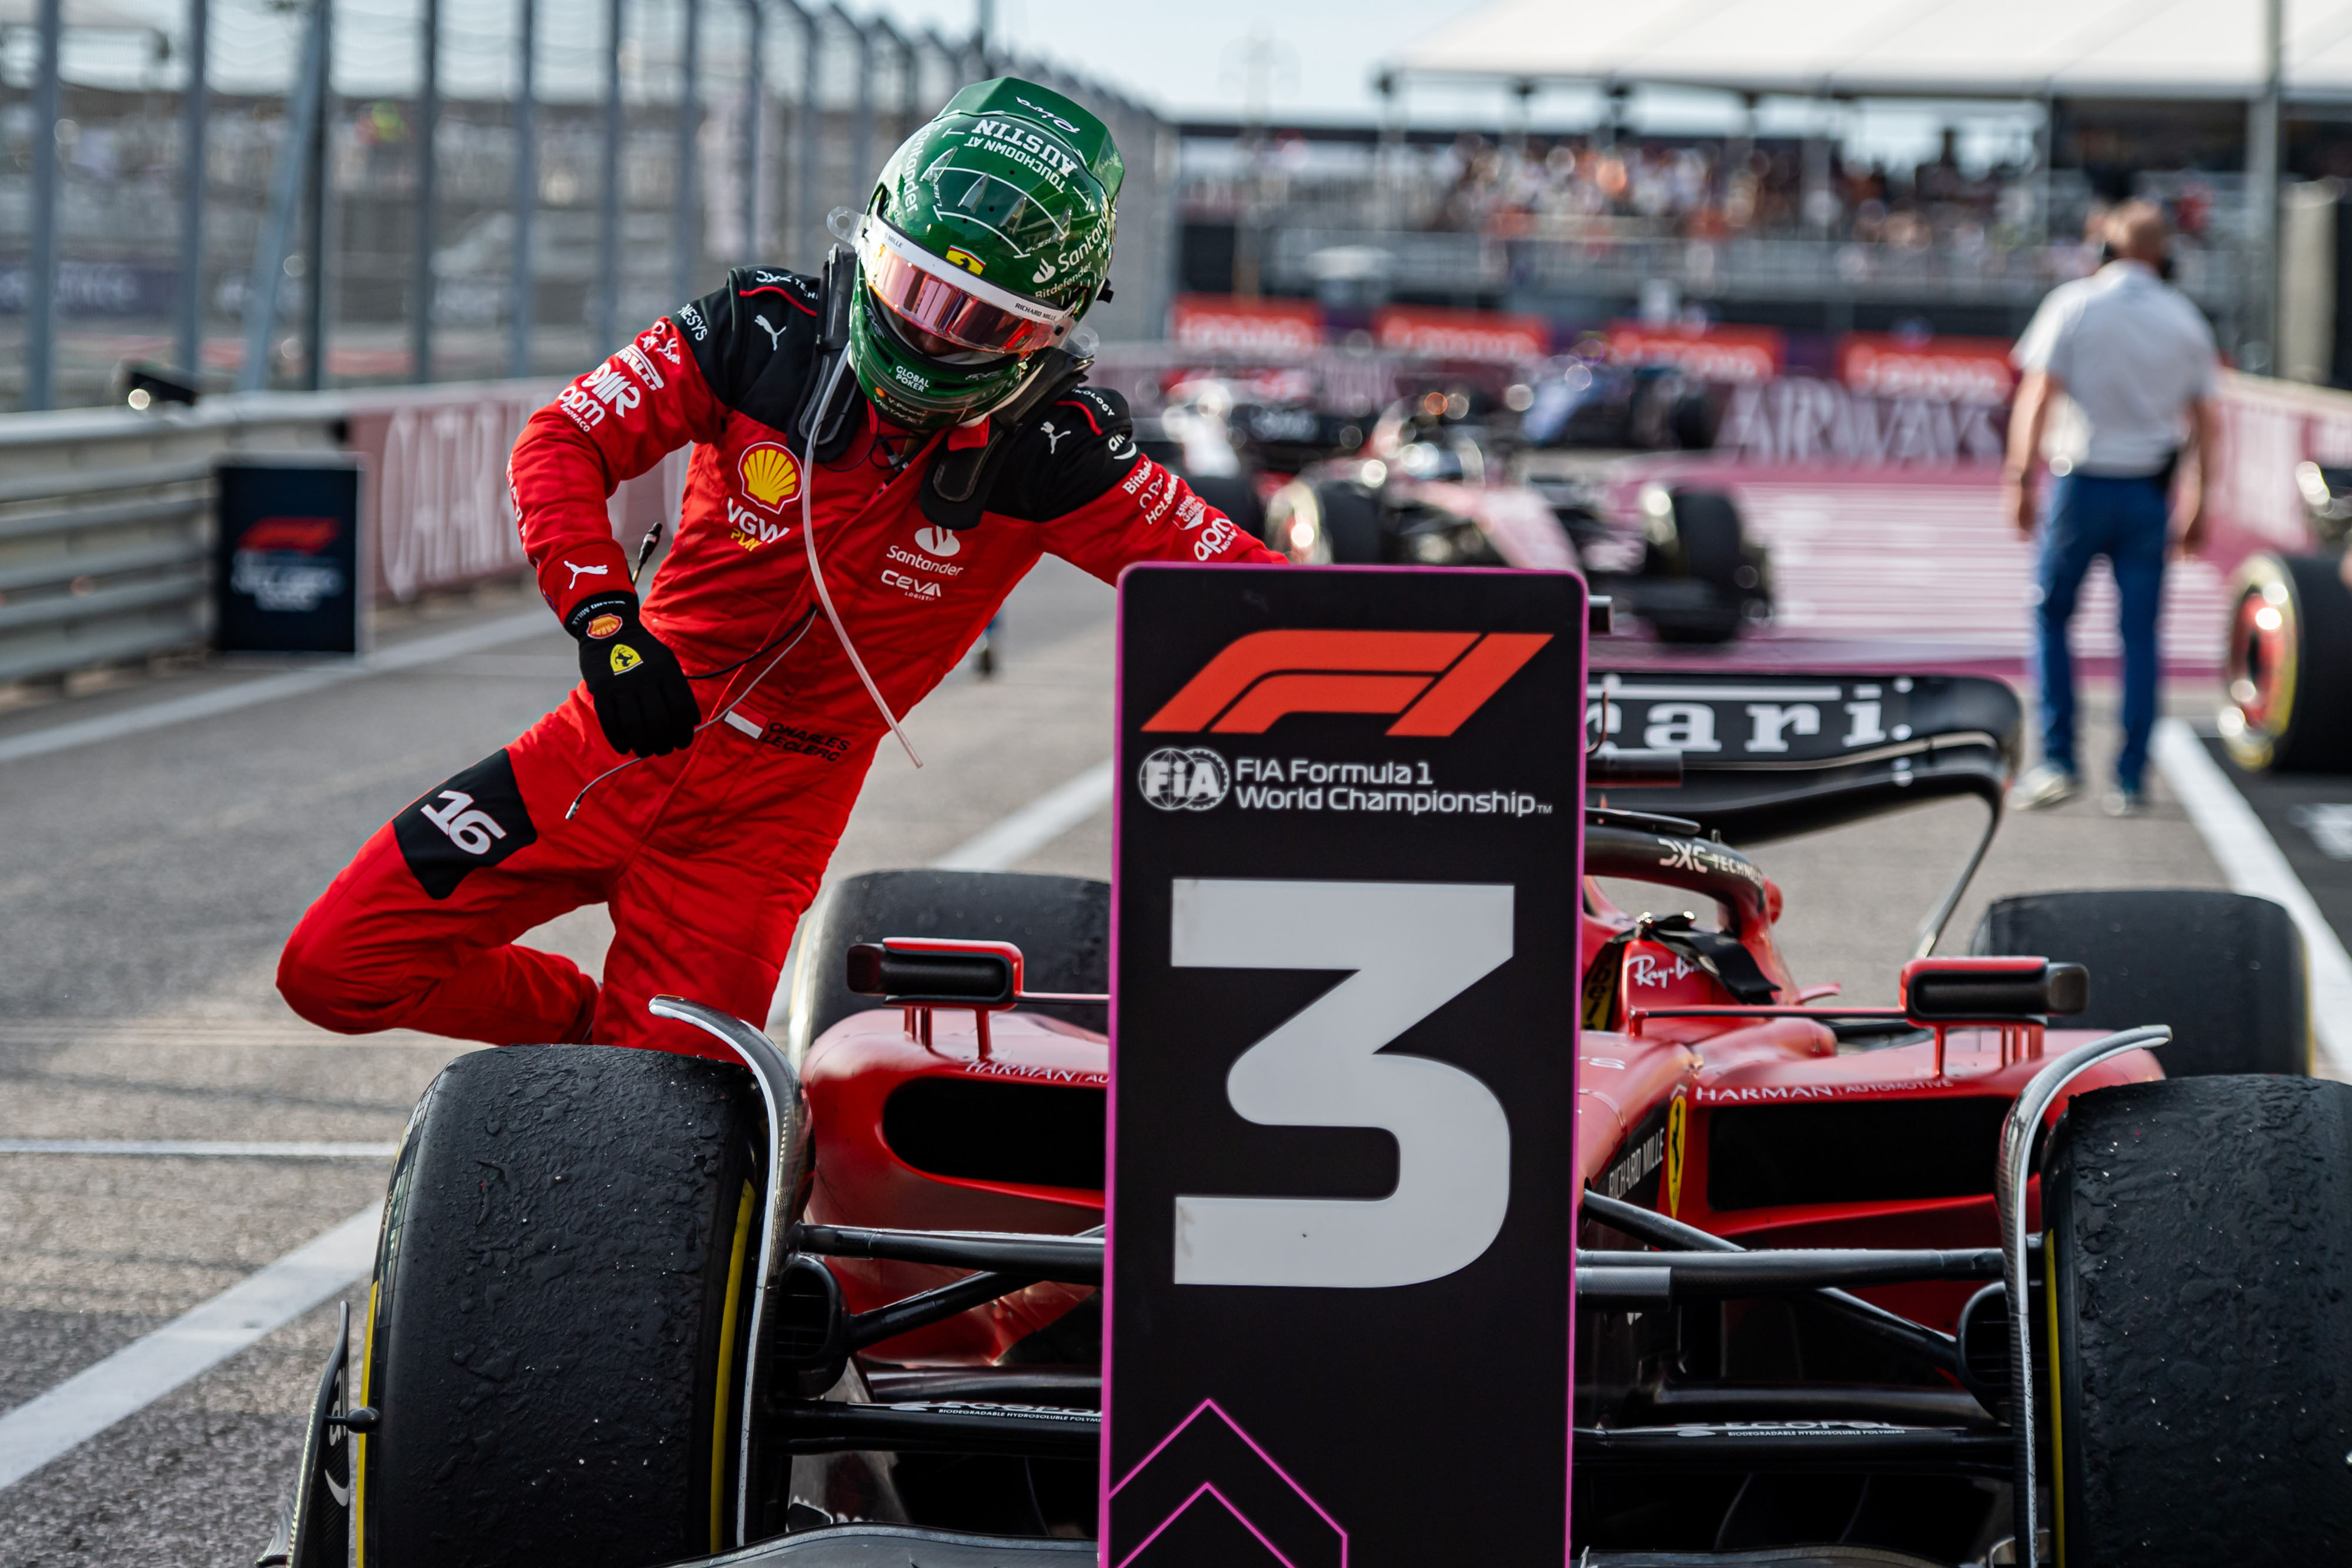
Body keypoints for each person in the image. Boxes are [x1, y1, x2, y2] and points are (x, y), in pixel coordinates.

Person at [276, 79, 1283, 1059]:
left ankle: (634, 1055)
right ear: (872, 241)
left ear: (1052, 329)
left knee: (663, 1110)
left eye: (977, 319)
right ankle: (593, 1032)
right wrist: (606, 624)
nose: (931, 331)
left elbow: (1256, 593)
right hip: (616, 738)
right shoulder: (759, 330)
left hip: (768, 822)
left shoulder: (1061, 451)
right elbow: (563, 438)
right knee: (333, 967)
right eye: (916, 288)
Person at [2002, 199, 2218, 816]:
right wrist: (2200, 499)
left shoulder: (2073, 303)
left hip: (2080, 484)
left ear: (2104, 250)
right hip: (2150, 490)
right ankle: (2129, 778)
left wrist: (2018, 478)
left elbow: (2036, 396)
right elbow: (2207, 424)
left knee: (2049, 617)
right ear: (2165, 256)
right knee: (2141, 636)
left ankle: (2058, 760)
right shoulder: (2185, 318)